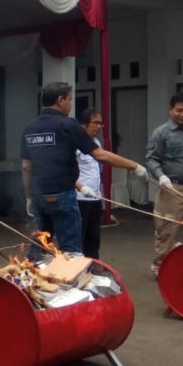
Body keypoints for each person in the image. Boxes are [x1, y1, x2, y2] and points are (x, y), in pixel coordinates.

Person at [22, 82, 147, 258]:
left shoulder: (30, 127)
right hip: (63, 196)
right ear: (60, 100)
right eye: (70, 99)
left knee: (39, 246)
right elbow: (100, 155)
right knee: (71, 250)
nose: (71, 104)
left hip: (38, 196)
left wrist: (28, 197)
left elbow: (26, 167)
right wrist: (134, 166)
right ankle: (71, 281)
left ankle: (32, 280)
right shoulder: (68, 125)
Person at [144, 92, 183, 276]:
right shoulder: (162, 133)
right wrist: (161, 176)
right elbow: (151, 159)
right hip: (173, 188)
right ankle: (161, 268)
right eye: (179, 110)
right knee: (167, 230)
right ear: (171, 110)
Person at [75, 108, 105, 259]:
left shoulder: (96, 142)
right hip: (80, 198)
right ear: (84, 124)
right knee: (78, 239)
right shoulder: (75, 143)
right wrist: (81, 188)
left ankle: (93, 269)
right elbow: (67, 172)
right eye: (96, 123)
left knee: (93, 239)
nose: (99, 126)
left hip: (95, 198)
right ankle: (77, 272)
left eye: (101, 123)